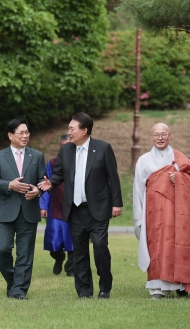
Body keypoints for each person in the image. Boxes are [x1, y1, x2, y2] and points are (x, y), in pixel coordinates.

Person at [39, 112, 123, 299]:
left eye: (72, 128)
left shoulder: (103, 148)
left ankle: (105, 287)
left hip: (98, 208)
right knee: (79, 252)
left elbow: (113, 177)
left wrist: (117, 203)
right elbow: (58, 174)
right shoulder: (66, 150)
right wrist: (50, 183)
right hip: (75, 210)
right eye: (68, 128)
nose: (69, 132)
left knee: (100, 246)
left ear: (84, 130)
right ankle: (84, 291)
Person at [133, 123, 190, 299]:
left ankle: (180, 285)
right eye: (156, 135)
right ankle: (156, 288)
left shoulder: (179, 157)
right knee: (156, 248)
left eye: (163, 134)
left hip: (176, 211)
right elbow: (138, 189)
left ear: (170, 136)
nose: (160, 138)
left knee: (175, 245)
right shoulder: (144, 160)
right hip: (152, 211)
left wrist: (179, 177)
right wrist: (138, 217)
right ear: (151, 137)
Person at [0, 118, 45, 300]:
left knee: (25, 254)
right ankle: (13, 282)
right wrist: (9, 185)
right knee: (2, 249)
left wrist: (38, 190)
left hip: (29, 210)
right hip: (6, 210)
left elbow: (43, 182)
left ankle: (19, 291)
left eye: (27, 132)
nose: (25, 136)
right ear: (10, 135)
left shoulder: (36, 156)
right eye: (21, 132)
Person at [40, 134, 74, 277]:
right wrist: (43, 206)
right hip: (56, 207)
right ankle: (59, 257)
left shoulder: (81, 163)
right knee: (54, 242)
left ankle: (71, 268)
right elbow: (45, 186)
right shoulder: (52, 164)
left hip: (74, 209)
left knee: (74, 242)